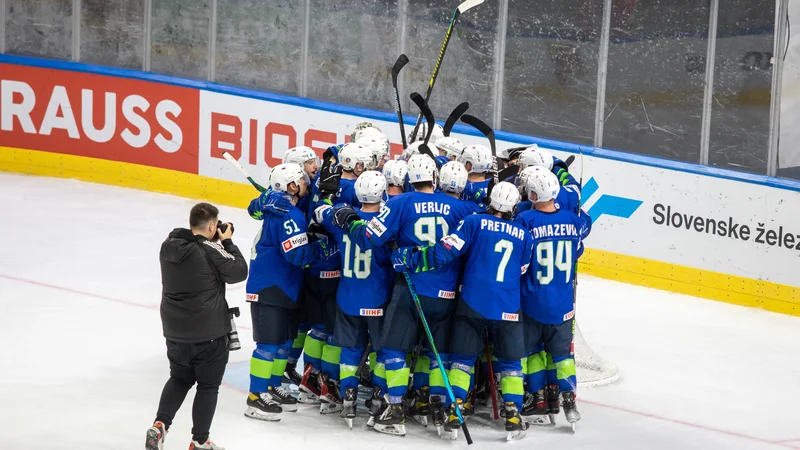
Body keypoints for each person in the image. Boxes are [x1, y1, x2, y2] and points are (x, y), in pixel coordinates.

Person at [328, 154, 477, 437]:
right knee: (439, 355)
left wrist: (350, 221)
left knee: (395, 350)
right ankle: (439, 409)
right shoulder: (461, 208)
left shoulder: (399, 203)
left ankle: (394, 410)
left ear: (409, 178)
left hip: (410, 290)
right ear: (435, 177)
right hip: (446, 295)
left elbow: (368, 238)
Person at [391, 182, 533, 440]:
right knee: (511, 363)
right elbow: (522, 269)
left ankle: (455, 411)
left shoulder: (473, 222)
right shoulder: (524, 234)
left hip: (472, 304)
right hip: (508, 307)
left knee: (463, 360)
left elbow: (445, 252)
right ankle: (513, 414)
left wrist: (410, 258)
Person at [148, 203, 248, 450]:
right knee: (208, 385)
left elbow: (191, 242)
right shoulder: (210, 250)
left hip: (174, 330)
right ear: (213, 226)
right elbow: (239, 271)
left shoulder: (168, 246)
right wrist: (227, 242)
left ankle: (160, 424)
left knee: (180, 378)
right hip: (209, 333)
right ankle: (200, 441)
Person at [244, 163, 338, 422]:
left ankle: (272, 387)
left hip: (284, 286)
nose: (307, 183)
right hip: (270, 286)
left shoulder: (286, 208)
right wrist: (323, 250)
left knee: (283, 342)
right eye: (302, 180)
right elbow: (297, 255)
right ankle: (255, 396)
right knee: (268, 345)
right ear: (291, 186)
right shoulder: (288, 215)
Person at [514, 169, 591, 428]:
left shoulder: (526, 219)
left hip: (532, 301)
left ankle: (538, 400)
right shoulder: (572, 219)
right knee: (563, 357)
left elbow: (520, 259)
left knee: (533, 351)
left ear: (534, 194)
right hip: (562, 304)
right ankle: (569, 401)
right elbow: (577, 249)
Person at [316, 171, 393, 428]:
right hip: (378, 300)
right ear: (382, 193)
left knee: (350, 349)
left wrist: (330, 207)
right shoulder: (386, 223)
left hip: (347, 297)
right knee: (381, 352)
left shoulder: (342, 218)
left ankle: (348, 395)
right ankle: (379, 396)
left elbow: (319, 214)